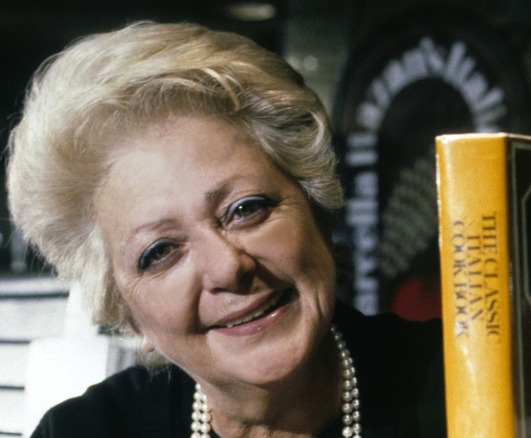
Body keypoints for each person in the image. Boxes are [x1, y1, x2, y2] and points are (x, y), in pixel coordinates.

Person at [6, 21, 445, 438]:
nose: (227, 267)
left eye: (245, 209)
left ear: (315, 206)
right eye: (159, 252)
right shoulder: (84, 432)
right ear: (123, 308)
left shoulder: (471, 384)